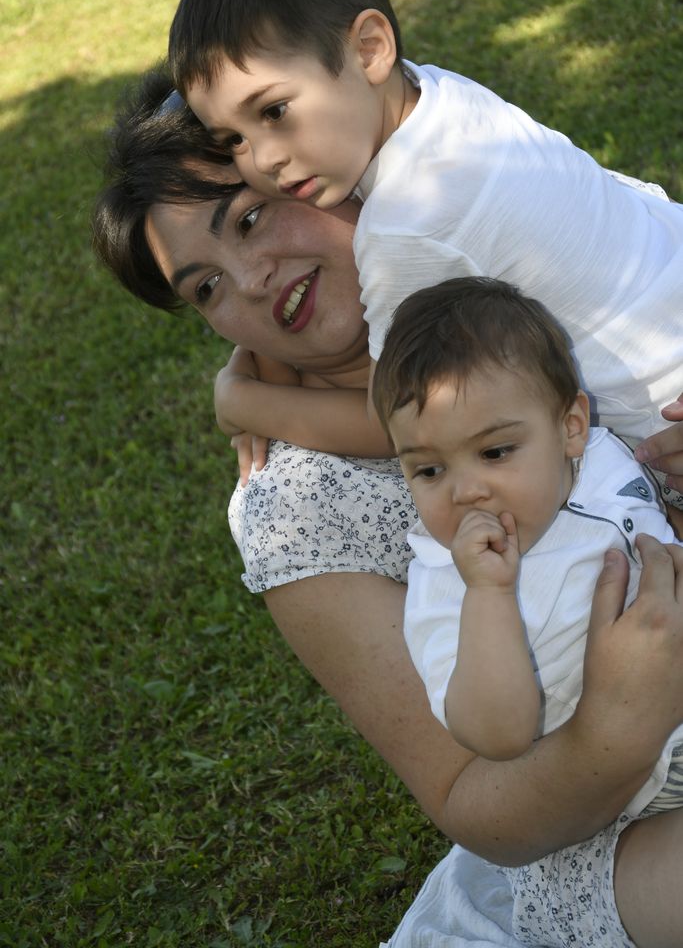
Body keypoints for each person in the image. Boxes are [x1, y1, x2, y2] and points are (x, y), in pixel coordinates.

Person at [93, 69, 683, 947]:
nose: (251, 282)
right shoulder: (296, 505)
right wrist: (617, 723)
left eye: (251, 219)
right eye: (206, 289)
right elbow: (472, 802)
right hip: (614, 822)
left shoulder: (497, 269)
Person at [167, 0, 683, 478]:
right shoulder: (440, 95)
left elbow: (397, 425)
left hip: (662, 410)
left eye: (272, 111)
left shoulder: (403, 229)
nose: (262, 159)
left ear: (371, 49)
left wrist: (241, 401)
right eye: (233, 140)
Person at [372, 276, 682, 819]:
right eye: (429, 469)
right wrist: (489, 594)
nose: (466, 490)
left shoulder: (605, 458)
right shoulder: (447, 585)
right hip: (656, 761)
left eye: (494, 452)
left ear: (572, 427)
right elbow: (499, 736)